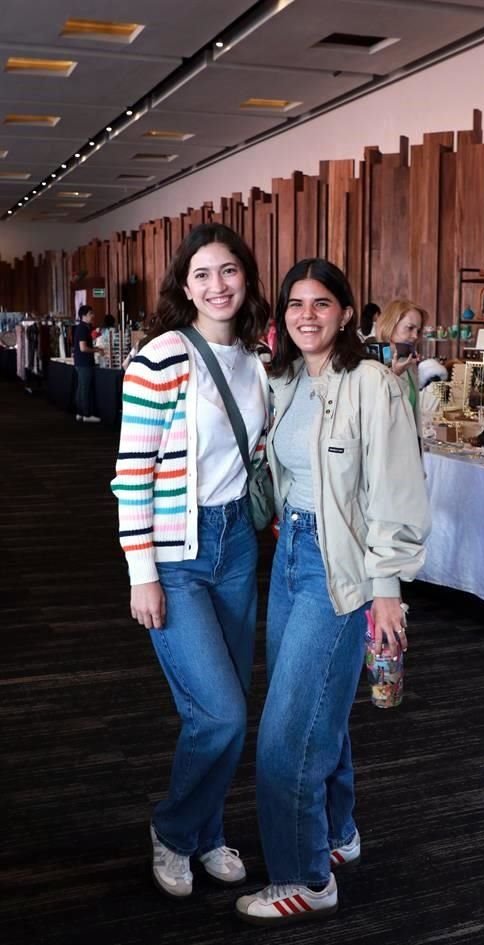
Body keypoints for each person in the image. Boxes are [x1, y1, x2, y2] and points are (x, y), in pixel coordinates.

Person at [235, 259, 430, 926]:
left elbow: (396, 492)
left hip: (341, 567)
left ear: (348, 312)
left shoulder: (372, 383)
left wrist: (386, 587)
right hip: (288, 555)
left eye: (322, 302)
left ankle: (306, 877)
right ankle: (339, 832)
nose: (308, 314)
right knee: (321, 708)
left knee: (285, 734)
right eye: (296, 303)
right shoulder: (284, 378)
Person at [110, 223, 270, 899]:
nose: (217, 285)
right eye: (202, 273)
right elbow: (132, 472)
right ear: (183, 284)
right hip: (177, 553)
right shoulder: (162, 357)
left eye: (228, 270)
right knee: (222, 711)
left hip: (236, 543)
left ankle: (206, 832)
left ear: (246, 275)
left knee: (219, 706)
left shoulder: (258, 356)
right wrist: (140, 571)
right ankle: (175, 830)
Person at [376, 299, 428, 433]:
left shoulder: (407, 362)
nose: (415, 336)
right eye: (410, 328)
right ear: (391, 325)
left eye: (418, 330)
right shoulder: (371, 360)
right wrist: (394, 375)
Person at [73, 303, 101, 422]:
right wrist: (97, 350)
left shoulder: (83, 328)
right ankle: (86, 415)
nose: (93, 316)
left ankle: (80, 413)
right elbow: (83, 348)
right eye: (90, 314)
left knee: (81, 388)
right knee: (85, 388)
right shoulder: (83, 328)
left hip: (80, 362)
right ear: (83, 316)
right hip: (84, 363)